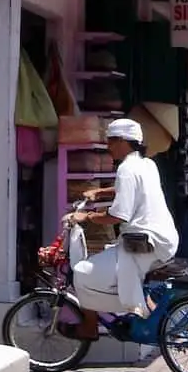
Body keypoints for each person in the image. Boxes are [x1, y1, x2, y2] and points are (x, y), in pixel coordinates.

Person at [65, 118, 180, 341]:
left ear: (123, 142)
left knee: (81, 273)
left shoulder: (126, 169)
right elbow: (130, 189)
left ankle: (91, 327)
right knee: (111, 270)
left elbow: (117, 216)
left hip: (144, 245)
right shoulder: (147, 164)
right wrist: (101, 193)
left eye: (110, 141)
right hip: (162, 241)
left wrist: (85, 217)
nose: (108, 147)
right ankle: (139, 309)